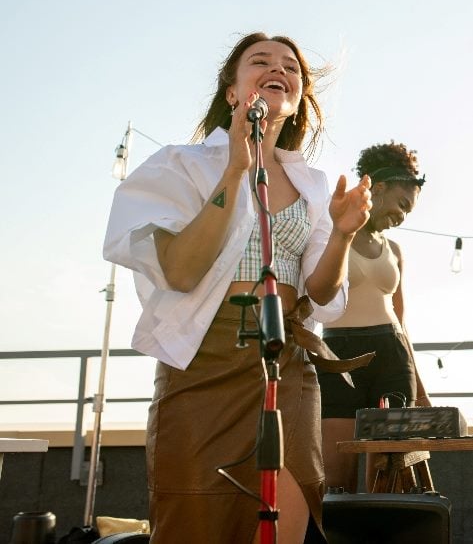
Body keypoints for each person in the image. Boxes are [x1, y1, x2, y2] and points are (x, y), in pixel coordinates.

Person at [103, 32, 374, 543]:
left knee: (286, 520)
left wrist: (341, 233)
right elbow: (181, 272)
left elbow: (319, 292)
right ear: (232, 91)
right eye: (261, 61)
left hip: (286, 361)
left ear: (297, 100)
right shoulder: (180, 165)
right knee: (195, 518)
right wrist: (234, 170)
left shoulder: (313, 183)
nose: (279, 69)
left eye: (291, 66)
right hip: (205, 362)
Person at [318, 141, 430, 493]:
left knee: (387, 478)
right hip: (337, 357)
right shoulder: (332, 230)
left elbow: (401, 319)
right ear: (377, 188)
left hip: (392, 358)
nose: (403, 216)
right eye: (402, 204)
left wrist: (422, 390)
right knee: (336, 480)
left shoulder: (394, 250)